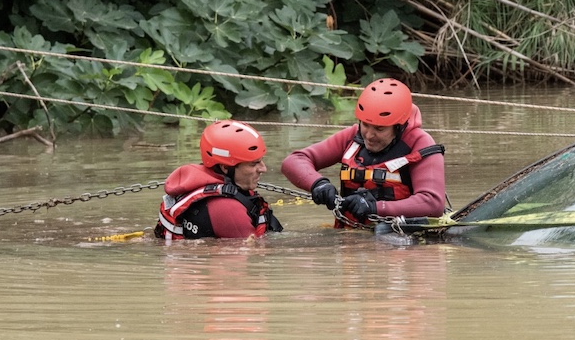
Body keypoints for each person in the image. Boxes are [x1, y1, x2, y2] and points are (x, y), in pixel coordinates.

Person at [281, 78, 446, 228]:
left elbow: (433, 203)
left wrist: (375, 207)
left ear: (399, 126)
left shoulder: (420, 143)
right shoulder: (352, 137)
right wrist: (318, 183)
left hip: (399, 242)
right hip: (350, 238)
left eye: (379, 129)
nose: (368, 135)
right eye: (365, 125)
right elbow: (294, 161)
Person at [154, 120, 283, 239]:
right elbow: (253, 253)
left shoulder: (205, 182)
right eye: (254, 164)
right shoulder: (227, 208)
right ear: (226, 167)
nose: (263, 168)